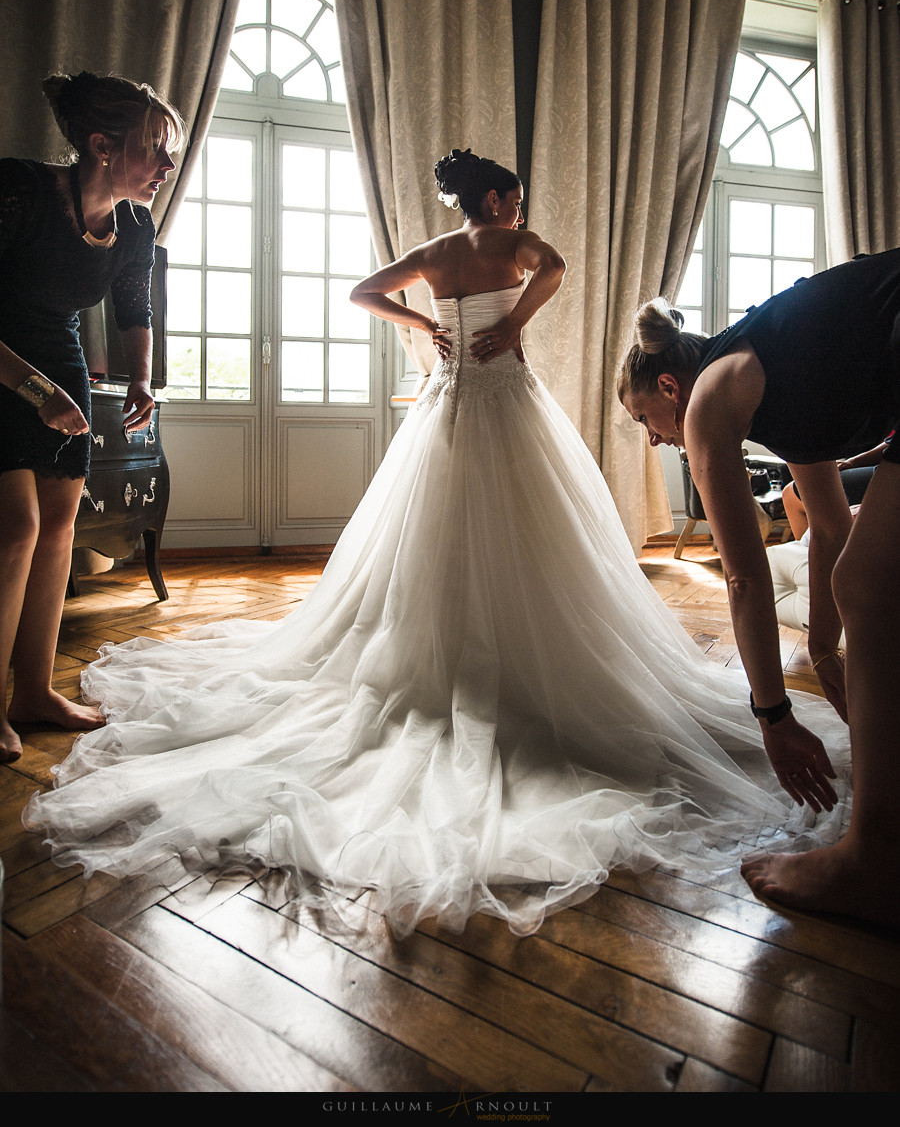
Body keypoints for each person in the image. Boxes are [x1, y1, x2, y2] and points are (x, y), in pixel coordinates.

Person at [24, 150, 848, 936]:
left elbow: (361, 292)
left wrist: (421, 319)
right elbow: (555, 265)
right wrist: (515, 319)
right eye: (515, 201)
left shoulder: (434, 249)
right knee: (534, 532)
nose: (520, 214)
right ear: (496, 202)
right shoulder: (508, 240)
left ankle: (436, 652)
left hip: (447, 399)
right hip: (505, 394)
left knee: (433, 534)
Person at [617, 254, 900, 924]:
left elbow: (742, 579)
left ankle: (874, 863)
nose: (657, 439)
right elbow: (829, 530)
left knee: (870, 586)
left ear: (668, 386)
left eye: (644, 421)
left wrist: (773, 716)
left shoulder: (712, 396)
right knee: (867, 580)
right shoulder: (780, 376)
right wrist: (824, 652)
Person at [0, 70, 185, 764]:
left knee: (58, 530)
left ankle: (35, 694)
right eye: (156, 150)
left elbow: (133, 305)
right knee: (14, 529)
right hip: (5, 367)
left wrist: (140, 378)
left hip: (64, 370)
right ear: (103, 146)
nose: (167, 166)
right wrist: (34, 390)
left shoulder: (134, 224)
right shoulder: (18, 188)